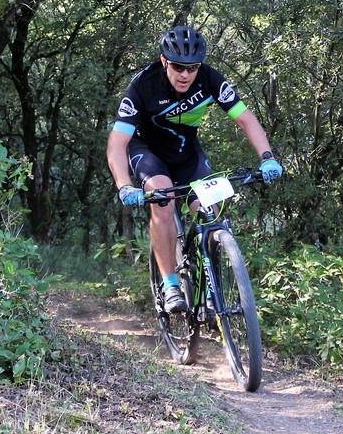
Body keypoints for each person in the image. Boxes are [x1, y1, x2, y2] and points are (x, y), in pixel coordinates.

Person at [106, 25, 282, 313]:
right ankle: (170, 284)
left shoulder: (210, 79)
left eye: (192, 68)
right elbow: (117, 143)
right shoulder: (143, 85)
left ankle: (210, 286)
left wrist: (267, 157)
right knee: (163, 201)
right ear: (164, 61)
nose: (185, 75)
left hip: (187, 154)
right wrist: (124, 184)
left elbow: (245, 119)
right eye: (178, 67)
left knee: (210, 212)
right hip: (148, 152)